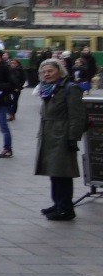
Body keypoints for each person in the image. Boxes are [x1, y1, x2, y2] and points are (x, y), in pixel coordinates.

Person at [34, 59, 86, 221]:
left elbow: (77, 116)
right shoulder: (47, 89)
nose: (46, 74)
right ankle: (57, 204)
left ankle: (66, 208)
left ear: (60, 71)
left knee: (63, 173)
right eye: (44, 72)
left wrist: (73, 138)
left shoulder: (70, 88)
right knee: (54, 172)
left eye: (50, 71)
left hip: (62, 135)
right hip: (49, 134)